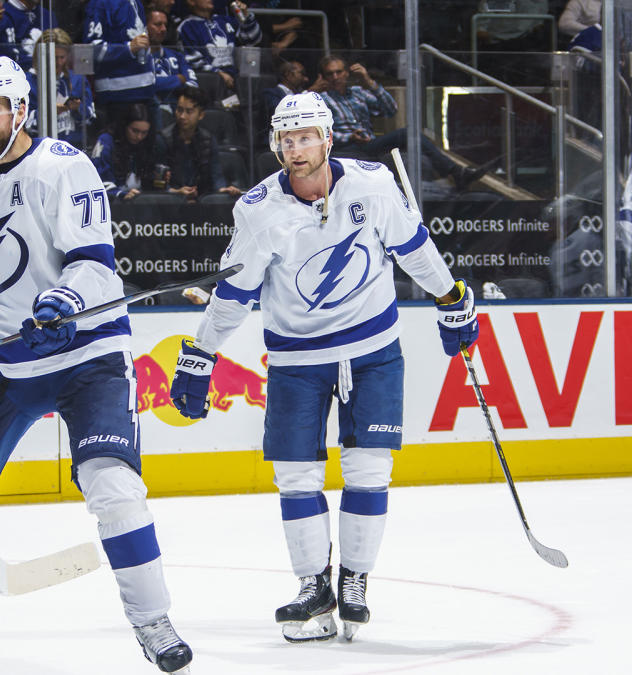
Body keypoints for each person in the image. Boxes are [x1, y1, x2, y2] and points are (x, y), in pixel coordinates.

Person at [0, 56, 193, 674]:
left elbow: (93, 259)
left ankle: (152, 620)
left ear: (21, 110)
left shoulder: (63, 167)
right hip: (7, 359)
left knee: (113, 485)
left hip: (86, 353)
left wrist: (62, 299)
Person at [168, 91, 479, 643]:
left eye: (306, 136)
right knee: (294, 477)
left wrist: (450, 298)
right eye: (287, 139)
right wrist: (201, 353)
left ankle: (354, 581)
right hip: (296, 359)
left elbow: (414, 248)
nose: (297, 148)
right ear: (276, 145)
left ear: (328, 139)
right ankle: (314, 588)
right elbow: (234, 295)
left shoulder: (373, 185)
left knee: (369, 469)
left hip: (373, 350)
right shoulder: (259, 210)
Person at [310, 54, 488, 190]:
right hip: (345, 147)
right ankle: (455, 173)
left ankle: (456, 173)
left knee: (410, 134)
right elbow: (316, 132)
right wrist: (349, 136)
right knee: (403, 135)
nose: (335, 77)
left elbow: (390, 109)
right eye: (330, 73)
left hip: (370, 143)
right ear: (323, 76)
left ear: (347, 73)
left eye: (339, 72)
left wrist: (368, 81)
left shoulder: (358, 92)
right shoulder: (319, 98)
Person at [155, 86, 241, 200]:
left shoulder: (209, 140)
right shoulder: (163, 139)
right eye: (179, 110)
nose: (182, 116)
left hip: (201, 202)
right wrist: (177, 192)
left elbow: (216, 177)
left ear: (201, 115)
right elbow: (158, 184)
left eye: (189, 111)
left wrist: (223, 190)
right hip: (171, 202)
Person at [85, 0, 157, 121]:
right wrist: (128, 48)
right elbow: (92, 50)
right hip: (118, 96)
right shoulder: (99, 4)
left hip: (147, 92)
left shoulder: (136, 2)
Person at [177, 0, 260, 93]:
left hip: (236, 78)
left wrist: (246, 17)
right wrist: (218, 73)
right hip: (209, 82)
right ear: (191, 2)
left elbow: (252, 40)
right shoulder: (187, 26)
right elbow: (192, 60)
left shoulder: (224, 20)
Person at [91, 103, 157, 200]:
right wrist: (120, 194)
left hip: (140, 201)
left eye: (144, 133)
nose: (139, 137)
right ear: (125, 126)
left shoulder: (147, 143)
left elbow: (150, 179)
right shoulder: (106, 141)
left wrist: (170, 189)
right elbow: (99, 180)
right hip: (112, 203)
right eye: (135, 131)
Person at [44, 29, 95, 149]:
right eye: (54, 57)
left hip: (74, 145)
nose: (58, 62)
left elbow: (90, 116)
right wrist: (49, 112)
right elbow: (25, 120)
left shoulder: (77, 79)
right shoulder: (33, 80)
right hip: (43, 147)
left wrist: (77, 109)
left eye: (62, 57)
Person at [147, 8, 198, 119]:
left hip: (180, 109)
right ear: (144, 27)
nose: (164, 29)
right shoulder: (136, 58)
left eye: (165, 25)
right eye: (158, 24)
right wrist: (177, 80)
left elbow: (192, 83)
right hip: (152, 111)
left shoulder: (176, 55)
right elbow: (145, 85)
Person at [262, 59, 308, 130]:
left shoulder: (297, 94)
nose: (305, 79)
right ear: (288, 74)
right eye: (301, 73)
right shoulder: (271, 94)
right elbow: (281, 113)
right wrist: (308, 92)